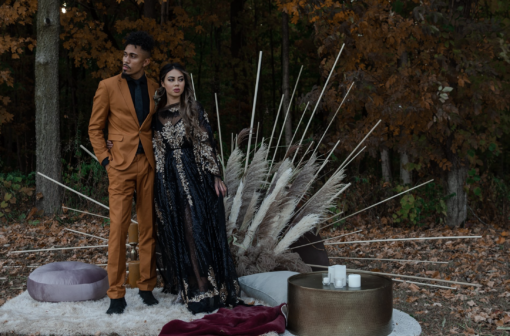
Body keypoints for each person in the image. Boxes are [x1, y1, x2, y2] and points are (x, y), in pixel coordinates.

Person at [108, 63, 241, 314]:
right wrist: (112, 145)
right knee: (178, 231)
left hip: (194, 178)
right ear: (163, 83)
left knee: (195, 228)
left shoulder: (193, 109)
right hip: (167, 182)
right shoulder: (155, 115)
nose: (177, 84)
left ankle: (207, 286)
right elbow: (142, 142)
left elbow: (206, 142)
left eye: (180, 79)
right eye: (171, 79)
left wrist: (215, 175)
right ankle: (189, 285)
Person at [89, 31, 160, 314]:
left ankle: (146, 286)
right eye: (125, 54)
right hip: (119, 165)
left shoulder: (156, 87)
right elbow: (95, 128)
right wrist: (106, 161)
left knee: (148, 228)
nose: (125, 60)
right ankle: (116, 294)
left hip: (148, 165)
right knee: (118, 229)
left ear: (146, 61)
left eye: (132, 56)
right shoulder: (107, 86)